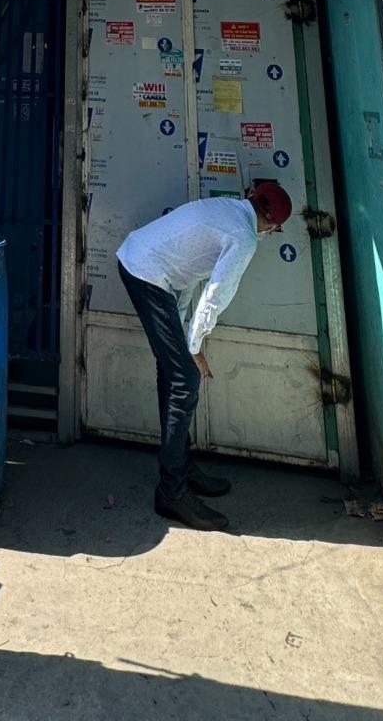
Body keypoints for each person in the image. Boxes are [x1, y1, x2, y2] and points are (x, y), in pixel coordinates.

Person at [116, 177, 294, 530]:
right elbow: (216, 294)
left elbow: (187, 275)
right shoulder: (244, 238)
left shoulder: (228, 209)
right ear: (273, 226)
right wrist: (195, 348)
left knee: (174, 372)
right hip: (146, 273)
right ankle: (172, 491)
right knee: (185, 380)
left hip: (143, 264)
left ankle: (182, 467)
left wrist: (187, 340)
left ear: (251, 196)